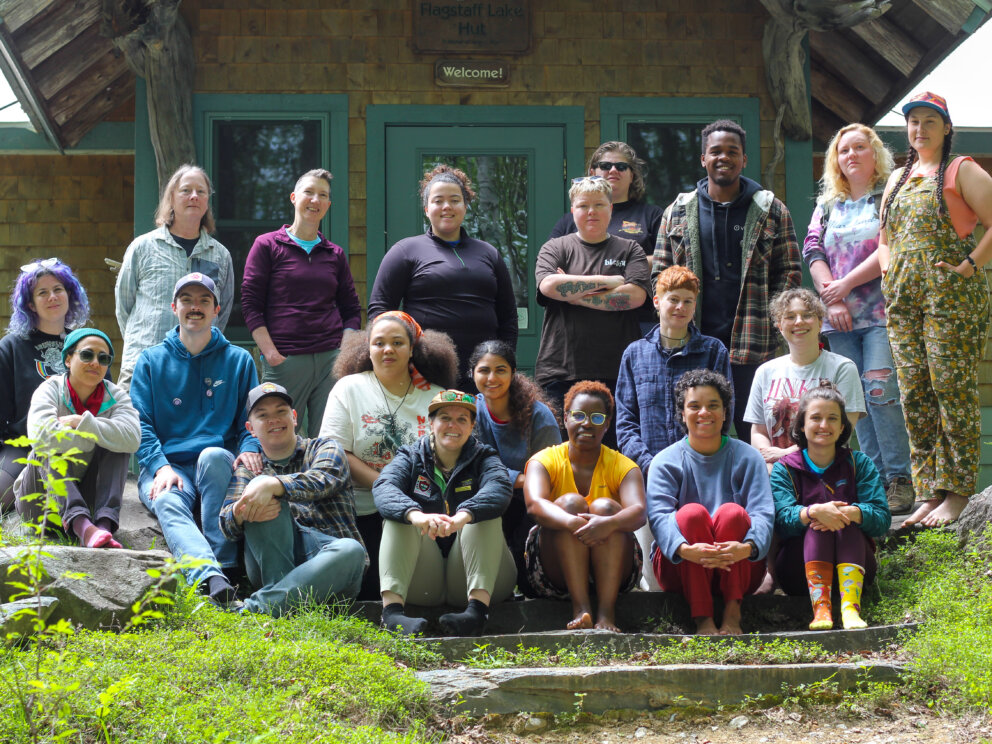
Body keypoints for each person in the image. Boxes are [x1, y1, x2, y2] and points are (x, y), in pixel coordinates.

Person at [878, 92, 992, 528]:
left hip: (952, 300)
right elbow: (885, 239)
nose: (920, 128)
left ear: (946, 128)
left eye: (930, 121)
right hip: (904, 302)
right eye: (913, 121)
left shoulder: (963, 170)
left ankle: (958, 492)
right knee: (916, 397)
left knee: (952, 390)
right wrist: (889, 275)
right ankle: (928, 492)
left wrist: (968, 266)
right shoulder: (897, 179)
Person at [652, 119, 802, 443]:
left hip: (753, 343)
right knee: (695, 430)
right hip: (693, 343)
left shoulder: (770, 210)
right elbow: (661, 275)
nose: (724, 157)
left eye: (732, 151)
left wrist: (776, 326)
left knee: (759, 435)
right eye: (715, 151)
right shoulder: (677, 211)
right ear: (703, 158)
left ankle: (759, 493)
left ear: (744, 159)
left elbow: (789, 274)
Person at [131, 273, 261, 606]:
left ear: (217, 309)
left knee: (214, 455)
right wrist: (159, 467)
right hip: (169, 465)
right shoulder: (150, 360)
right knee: (168, 501)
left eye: (204, 300)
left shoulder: (239, 360)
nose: (195, 307)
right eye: (187, 300)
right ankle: (210, 578)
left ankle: (228, 566)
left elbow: (251, 421)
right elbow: (140, 424)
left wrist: (248, 450)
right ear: (174, 307)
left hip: (216, 466)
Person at [804, 123, 914, 516]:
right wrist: (830, 296)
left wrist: (845, 285)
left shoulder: (886, 195)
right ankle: (874, 480)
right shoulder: (829, 205)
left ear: (875, 154)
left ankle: (899, 479)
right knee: (855, 401)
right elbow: (813, 248)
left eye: (859, 148)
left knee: (882, 392)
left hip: (881, 312)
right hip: (841, 319)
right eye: (843, 150)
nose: (850, 155)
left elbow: (892, 245)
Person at [319, 310, 458, 600]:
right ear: (367, 348)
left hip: (422, 511)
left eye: (397, 343)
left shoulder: (435, 396)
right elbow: (336, 452)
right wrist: (388, 488)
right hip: (361, 511)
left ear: (412, 350)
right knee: (370, 588)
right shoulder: (348, 389)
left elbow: (451, 458)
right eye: (379, 343)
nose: (387, 350)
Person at [616, 266, 731, 590]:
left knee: (703, 556)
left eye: (688, 301)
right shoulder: (634, 354)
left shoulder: (712, 351)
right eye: (673, 299)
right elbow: (625, 422)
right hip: (648, 474)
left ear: (695, 306)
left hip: (702, 472)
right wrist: (653, 466)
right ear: (656, 301)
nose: (680, 307)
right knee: (652, 576)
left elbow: (724, 414)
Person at [373, 390, 515, 636]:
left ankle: (477, 613)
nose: (453, 425)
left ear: (472, 426)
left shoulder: (485, 457)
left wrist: (462, 517)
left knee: (480, 514)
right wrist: (417, 516)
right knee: (400, 517)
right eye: (445, 417)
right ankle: (392, 615)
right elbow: (384, 487)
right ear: (431, 423)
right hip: (425, 582)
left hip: (482, 577)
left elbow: (499, 488)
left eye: (462, 419)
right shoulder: (410, 455)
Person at [218, 382, 367, 617]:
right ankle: (278, 604)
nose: (274, 420)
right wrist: (239, 510)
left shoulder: (324, 447)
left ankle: (263, 607)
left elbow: (323, 479)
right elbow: (226, 526)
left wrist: (275, 484)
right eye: (263, 415)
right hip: (272, 564)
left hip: (331, 566)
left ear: (294, 417)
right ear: (250, 429)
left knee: (352, 551)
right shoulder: (249, 469)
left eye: (281, 411)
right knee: (257, 488)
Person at [647, 370, 774, 635]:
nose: (704, 412)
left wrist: (747, 547)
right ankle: (702, 617)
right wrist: (684, 549)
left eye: (713, 405)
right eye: (694, 406)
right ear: (682, 414)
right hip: (680, 567)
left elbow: (762, 512)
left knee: (732, 514)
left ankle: (732, 612)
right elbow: (658, 516)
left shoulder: (748, 457)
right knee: (691, 514)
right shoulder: (664, 461)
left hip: (739, 567)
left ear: (726, 412)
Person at [368, 164, 518, 390]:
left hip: (483, 376)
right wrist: (402, 362)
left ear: (465, 206)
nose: (447, 206)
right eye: (438, 201)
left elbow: (508, 318)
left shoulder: (489, 253)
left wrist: (502, 362)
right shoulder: (404, 251)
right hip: (424, 375)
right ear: (426, 209)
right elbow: (380, 312)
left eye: (455, 200)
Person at [241, 168, 362, 436]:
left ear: (328, 205)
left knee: (329, 438)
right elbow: (250, 304)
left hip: (330, 361)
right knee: (278, 437)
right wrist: (271, 354)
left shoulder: (335, 254)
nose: (315, 200)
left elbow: (351, 309)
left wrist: (344, 352)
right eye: (309, 192)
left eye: (323, 195)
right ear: (294, 197)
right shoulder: (267, 245)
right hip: (286, 360)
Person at [535, 176, 651, 446]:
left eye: (599, 204)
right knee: (561, 452)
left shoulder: (630, 248)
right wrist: (611, 282)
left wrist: (574, 294)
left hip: (617, 370)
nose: (591, 211)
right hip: (560, 370)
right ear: (572, 210)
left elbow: (635, 297)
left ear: (611, 209)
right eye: (583, 205)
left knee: (614, 451)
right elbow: (549, 287)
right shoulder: (556, 247)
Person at [523, 381, 646, 632]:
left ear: (607, 424)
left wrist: (608, 523)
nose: (586, 423)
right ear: (565, 419)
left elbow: (639, 512)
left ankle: (606, 613)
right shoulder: (544, 460)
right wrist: (571, 522)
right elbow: (534, 505)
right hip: (553, 574)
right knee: (570, 503)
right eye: (578, 415)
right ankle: (581, 609)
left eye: (596, 417)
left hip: (615, 569)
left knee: (606, 508)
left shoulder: (623, 465)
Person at [770, 383, 891, 630]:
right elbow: (780, 521)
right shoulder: (785, 468)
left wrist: (853, 513)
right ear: (802, 425)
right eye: (815, 418)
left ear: (842, 427)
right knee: (819, 521)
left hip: (855, 568)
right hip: (798, 573)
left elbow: (881, 518)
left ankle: (850, 608)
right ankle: (821, 608)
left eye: (832, 418)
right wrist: (811, 512)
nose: (824, 425)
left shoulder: (859, 463)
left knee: (844, 518)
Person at [14, 329, 139, 548]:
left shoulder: (116, 395)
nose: (95, 362)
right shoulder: (49, 388)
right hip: (40, 504)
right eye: (87, 355)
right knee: (46, 447)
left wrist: (82, 423)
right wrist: (97, 436)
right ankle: (81, 525)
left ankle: (104, 525)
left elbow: (132, 438)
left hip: (90, 499)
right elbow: (41, 437)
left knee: (119, 444)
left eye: (103, 358)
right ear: (68, 359)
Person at [115, 164, 234, 389]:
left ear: (208, 200)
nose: (194, 196)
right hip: (144, 365)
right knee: (134, 425)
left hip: (198, 367)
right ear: (171, 196)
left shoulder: (220, 255)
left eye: (201, 191)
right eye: (185, 190)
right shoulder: (143, 247)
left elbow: (222, 310)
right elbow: (124, 306)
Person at [470, 339, 561, 592]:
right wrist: (518, 478)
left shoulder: (538, 414)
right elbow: (473, 465)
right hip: (488, 495)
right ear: (472, 373)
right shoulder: (470, 411)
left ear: (512, 373)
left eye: (500, 370)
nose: (492, 378)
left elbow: (551, 470)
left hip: (532, 500)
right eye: (484, 370)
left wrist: (521, 483)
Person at [1, 258, 91, 512]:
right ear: (30, 303)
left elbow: (104, 399)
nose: (52, 297)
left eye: (58, 289)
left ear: (69, 295)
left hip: (77, 445)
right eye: (42, 292)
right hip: (24, 446)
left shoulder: (86, 344)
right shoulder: (11, 347)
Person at [548, 141, 665, 335]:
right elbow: (550, 269)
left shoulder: (651, 215)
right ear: (592, 171)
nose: (613, 170)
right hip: (577, 322)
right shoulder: (570, 220)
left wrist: (613, 265)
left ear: (632, 174)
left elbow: (664, 260)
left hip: (638, 322)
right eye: (605, 165)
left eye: (621, 166)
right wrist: (617, 273)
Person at [745, 288, 865, 472]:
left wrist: (786, 455)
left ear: (820, 322)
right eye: (790, 316)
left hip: (825, 470)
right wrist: (771, 463)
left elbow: (842, 432)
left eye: (807, 315)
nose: (799, 322)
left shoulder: (842, 368)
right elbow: (758, 431)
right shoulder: (765, 372)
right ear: (779, 324)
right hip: (775, 471)